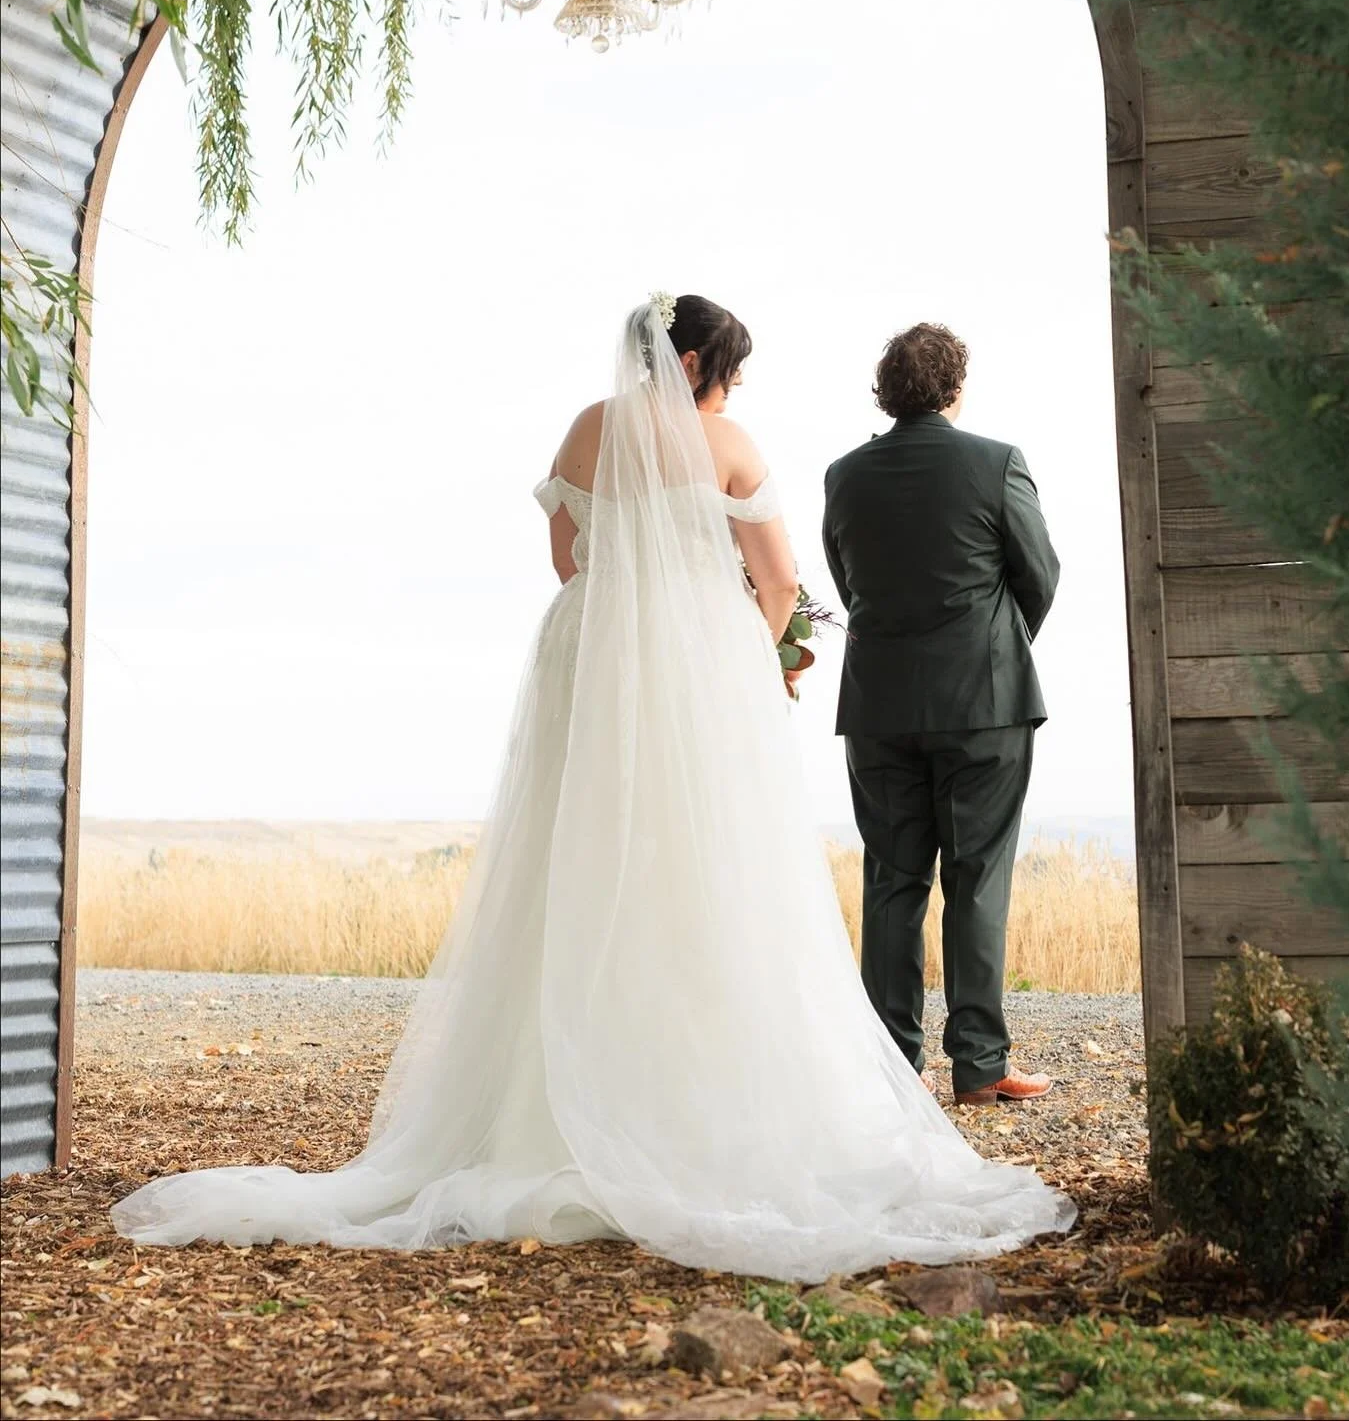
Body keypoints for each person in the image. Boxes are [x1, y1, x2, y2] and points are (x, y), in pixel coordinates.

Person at [111, 297, 1073, 1280]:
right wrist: (746, 652)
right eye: (727, 369)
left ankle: (552, 1096)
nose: (730, 387)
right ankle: (779, 1083)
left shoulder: (586, 427)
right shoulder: (731, 442)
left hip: (595, 657)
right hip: (706, 671)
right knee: (711, 870)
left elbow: (569, 559)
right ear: (694, 357)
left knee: (582, 850)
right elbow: (780, 580)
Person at [823, 322, 1061, 1109]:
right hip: (982, 704)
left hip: (878, 706)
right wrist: (990, 643)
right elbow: (1039, 576)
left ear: (884, 392)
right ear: (955, 387)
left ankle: (890, 1068)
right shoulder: (995, 463)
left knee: (892, 880)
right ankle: (979, 1066)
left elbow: (850, 578)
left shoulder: (843, 476)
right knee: (976, 877)